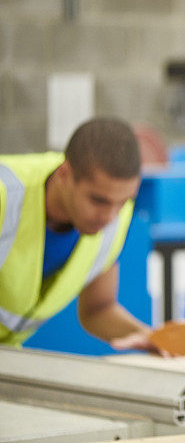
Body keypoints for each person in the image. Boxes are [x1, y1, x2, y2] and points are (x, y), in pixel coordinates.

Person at [0, 117, 160, 353]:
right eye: (98, 200)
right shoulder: (6, 193)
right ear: (64, 174)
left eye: (123, 201)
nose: (109, 216)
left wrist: (149, 337)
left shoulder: (116, 214)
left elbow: (98, 308)